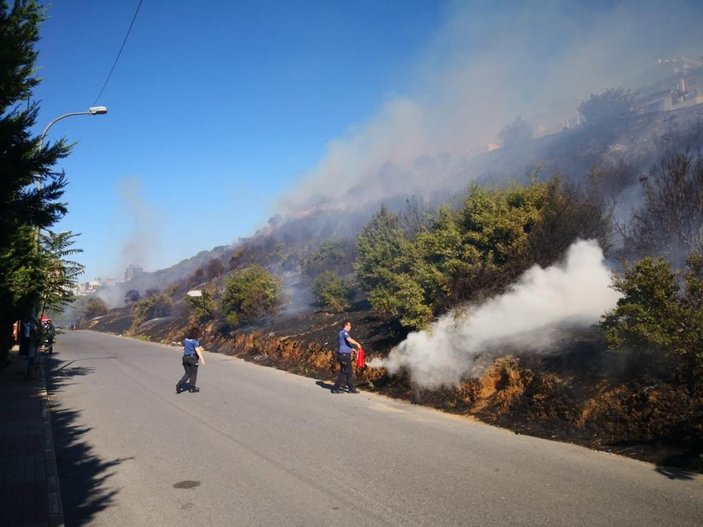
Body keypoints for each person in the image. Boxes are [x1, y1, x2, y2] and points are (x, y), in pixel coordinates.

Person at [331, 321, 362, 394]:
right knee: (344, 372)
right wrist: (357, 344)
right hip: (343, 355)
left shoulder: (344, 333)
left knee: (349, 372)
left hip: (346, 355)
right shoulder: (343, 332)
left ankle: (351, 389)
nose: (350, 327)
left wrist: (352, 349)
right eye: (349, 325)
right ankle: (335, 388)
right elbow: (349, 340)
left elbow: (344, 344)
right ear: (346, 326)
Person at [176, 329, 205, 393]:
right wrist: (202, 359)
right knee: (193, 373)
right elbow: (198, 350)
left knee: (188, 373)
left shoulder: (186, 340)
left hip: (185, 358)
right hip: (192, 359)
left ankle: (179, 384)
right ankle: (192, 388)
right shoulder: (195, 341)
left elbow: (183, 348)